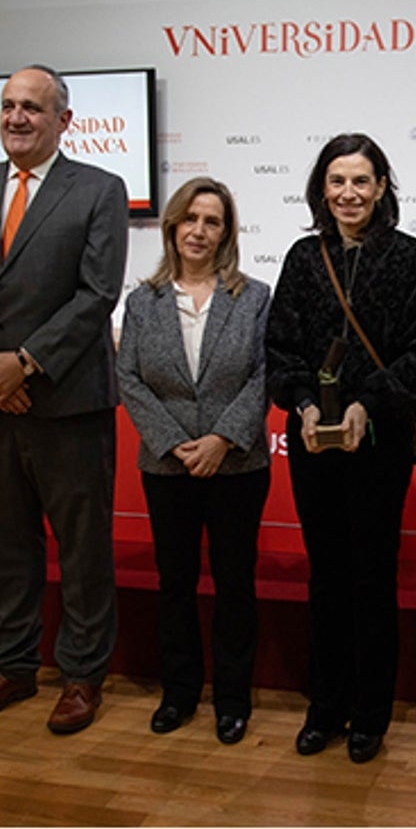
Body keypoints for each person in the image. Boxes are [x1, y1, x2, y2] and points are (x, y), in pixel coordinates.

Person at [0, 64, 128, 735]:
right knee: (5, 545)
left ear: (62, 121)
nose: (17, 118)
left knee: (82, 548)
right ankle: (11, 667)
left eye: (32, 108)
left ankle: (80, 676)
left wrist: (26, 365)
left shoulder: (98, 190)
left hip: (67, 404)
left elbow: (95, 294)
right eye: (9, 106)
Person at [265, 133, 416, 764]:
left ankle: (370, 714)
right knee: (325, 578)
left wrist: (369, 403)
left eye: (361, 181)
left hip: (379, 443)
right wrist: (305, 404)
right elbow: (279, 347)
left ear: (382, 188)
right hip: (312, 441)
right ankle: (325, 707)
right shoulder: (303, 259)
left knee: (372, 578)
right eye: (337, 181)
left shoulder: (409, 257)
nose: (348, 193)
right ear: (321, 190)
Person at [116, 177, 271, 745]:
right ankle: (179, 693)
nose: (199, 231)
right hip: (168, 466)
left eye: (212, 221)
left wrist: (222, 440)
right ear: (172, 226)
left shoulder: (254, 297)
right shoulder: (142, 301)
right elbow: (128, 377)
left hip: (237, 466)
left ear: (226, 231)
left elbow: (263, 375)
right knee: (175, 583)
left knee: (235, 585)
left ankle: (233, 699)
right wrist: (175, 440)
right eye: (190, 219)